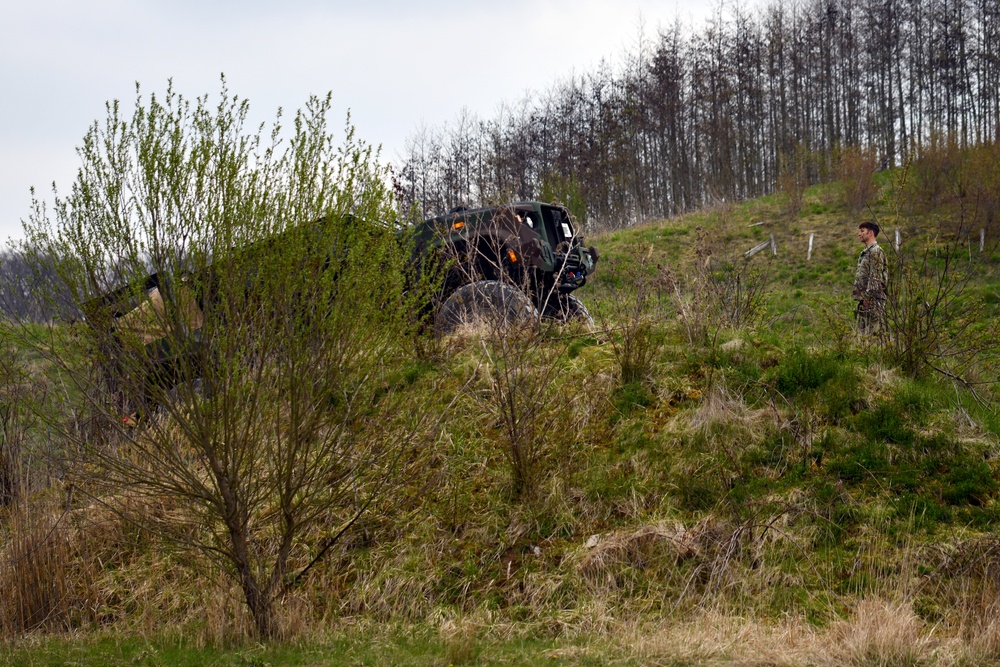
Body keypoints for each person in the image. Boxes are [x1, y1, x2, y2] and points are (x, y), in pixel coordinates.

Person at [853, 221, 888, 335]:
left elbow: (875, 277)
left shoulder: (875, 251)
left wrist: (868, 298)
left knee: (874, 334)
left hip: (873, 301)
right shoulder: (866, 252)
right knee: (863, 336)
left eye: (862, 231)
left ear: (871, 233)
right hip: (865, 300)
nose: (859, 234)